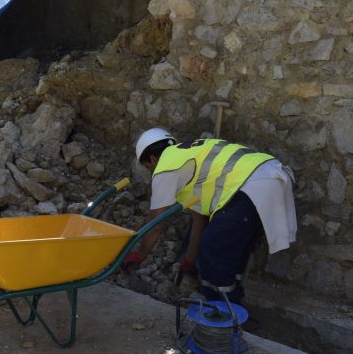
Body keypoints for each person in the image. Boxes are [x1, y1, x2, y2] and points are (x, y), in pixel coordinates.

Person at [125, 127, 297, 303]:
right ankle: (233, 307)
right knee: (232, 250)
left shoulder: (166, 164)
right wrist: (189, 262)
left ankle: (218, 315)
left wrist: (140, 255)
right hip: (270, 175)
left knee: (214, 248)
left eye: (148, 167)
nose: (151, 172)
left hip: (251, 185)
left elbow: (156, 222)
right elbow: (199, 222)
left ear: (153, 159)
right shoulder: (188, 157)